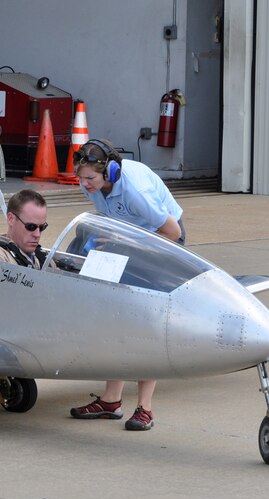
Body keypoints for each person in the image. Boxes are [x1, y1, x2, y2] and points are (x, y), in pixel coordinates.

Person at [69, 139, 185, 431]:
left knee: (145, 323)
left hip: (160, 240)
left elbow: (173, 232)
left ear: (109, 172)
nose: (84, 184)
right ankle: (110, 400)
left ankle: (145, 408)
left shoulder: (136, 191)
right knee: (113, 316)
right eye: (80, 178)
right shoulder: (91, 183)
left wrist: (125, 244)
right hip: (127, 238)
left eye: (90, 179)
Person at [0, 189, 51, 269]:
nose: (37, 234)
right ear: (11, 219)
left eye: (42, 227)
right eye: (31, 227)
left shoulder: (41, 256)